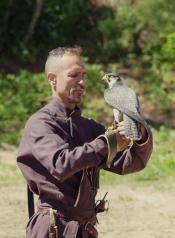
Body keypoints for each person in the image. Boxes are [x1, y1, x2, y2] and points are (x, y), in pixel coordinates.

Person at [17, 46, 153, 238]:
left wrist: (141, 136)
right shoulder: (41, 124)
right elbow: (61, 164)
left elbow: (129, 163)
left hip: (84, 230)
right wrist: (107, 143)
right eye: (73, 75)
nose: (81, 82)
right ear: (52, 79)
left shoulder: (88, 127)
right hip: (54, 229)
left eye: (83, 75)